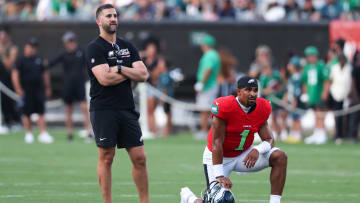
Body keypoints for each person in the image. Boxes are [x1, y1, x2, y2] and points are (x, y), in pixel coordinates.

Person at [181, 76, 288, 203]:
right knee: (219, 201)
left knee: (280, 156)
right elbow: (217, 143)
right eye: (248, 90)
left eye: (255, 90)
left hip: (244, 155)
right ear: (238, 92)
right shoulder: (225, 106)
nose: (252, 94)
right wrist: (220, 175)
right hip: (219, 157)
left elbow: (269, 139)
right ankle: (189, 198)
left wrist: (258, 150)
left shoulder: (262, 107)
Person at [85, 4, 149, 203]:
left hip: (127, 109)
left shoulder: (127, 46)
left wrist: (119, 67)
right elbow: (104, 79)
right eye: (108, 16)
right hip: (103, 109)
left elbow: (144, 74)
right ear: (99, 21)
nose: (113, 19)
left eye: (115, 15)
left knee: (140, 157)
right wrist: (129, 70)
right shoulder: (93, 48)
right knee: (107, 157)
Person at [47, 31, 92, 141]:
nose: (71, 43)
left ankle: (89, 132)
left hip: (80, 85)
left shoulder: (82, 52)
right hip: (68, 86)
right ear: (65, 43)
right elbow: (49, 64)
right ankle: (70, 133)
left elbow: (91, 62)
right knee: (68, 109)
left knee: (84, 108)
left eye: (72, 41)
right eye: (68, 41)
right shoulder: (63, 54)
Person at [11, 38, 54, 144]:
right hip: (26, 90)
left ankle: (42, 133)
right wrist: (18, 89)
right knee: (27, 112)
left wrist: (47, 87)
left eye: (34, 47)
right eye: (31, 47)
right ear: (26, 47)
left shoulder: (39, 59)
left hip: (39, 89)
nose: (33, 49)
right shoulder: (20, 60)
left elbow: (45, 74)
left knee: (41, 111)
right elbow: (15, 74)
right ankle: (28, 133)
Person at [194, 33, 220, 140]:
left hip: (208, 86)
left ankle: (204, 131)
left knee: (204, 109)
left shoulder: (209, 55)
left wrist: (201, 84)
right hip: (212, 85)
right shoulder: (214, 54)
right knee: (210, 110)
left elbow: (208, 69)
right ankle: (211, 131)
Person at [301, 46, 330, 145]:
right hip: (311, 95)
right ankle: (317, 133)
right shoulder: (306, 68)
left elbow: (326, 80)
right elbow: (304, 82)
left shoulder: (321, 66)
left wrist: (325, 92)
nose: (309, 58)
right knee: (315, 113)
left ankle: (321, 134)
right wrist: (305, 94)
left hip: (319, 93)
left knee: (320, 113)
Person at [0, 27, 21, 130]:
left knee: (9, 102)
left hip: (9, 80)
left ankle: (14, 121)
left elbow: (9, 65)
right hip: (1, 82)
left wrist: (3, 53)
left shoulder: (12, 48)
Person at [328, 53, 352, 144]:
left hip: (346, 95)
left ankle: (344, 134)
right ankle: (337, 134)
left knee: (345, 116)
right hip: (335, 94)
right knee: (337, 116)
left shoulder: (349, 68)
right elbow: (331, 80)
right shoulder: (334, 68)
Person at [283, 56, 303, 143]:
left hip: (296, 100)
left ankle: (297, 134)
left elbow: (296, 90)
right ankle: (294, 133)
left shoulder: (297, 77)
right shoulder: (292, 76)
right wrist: (286, 97)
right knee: (293, 117)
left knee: (296, 117)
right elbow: (289, 89)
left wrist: (294, 100)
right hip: (291, 100)